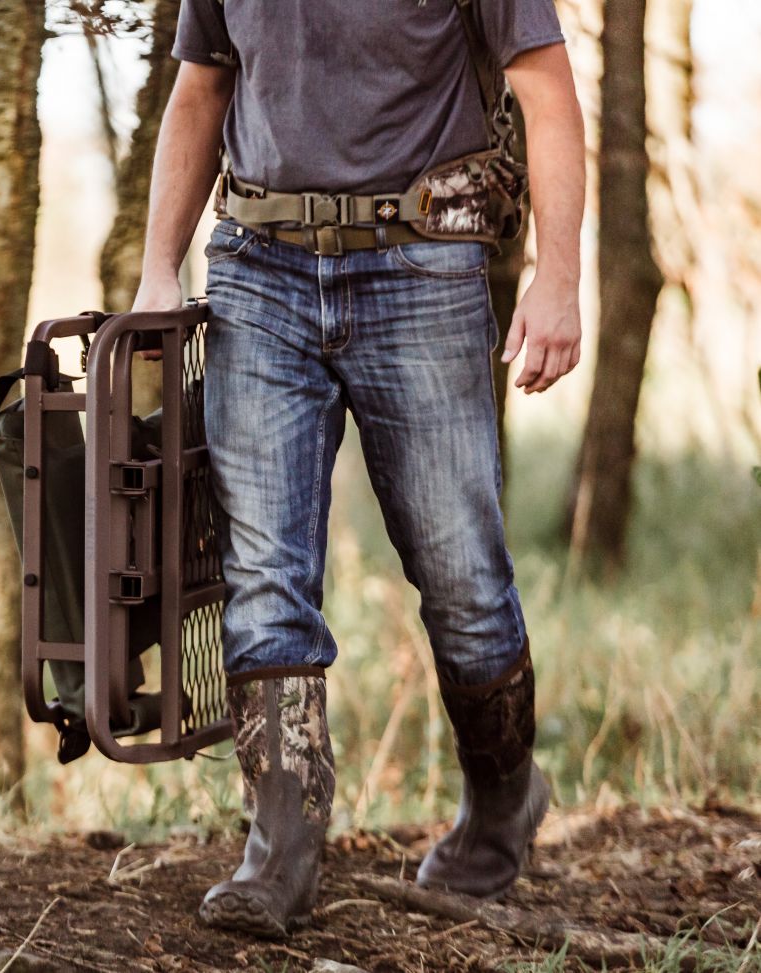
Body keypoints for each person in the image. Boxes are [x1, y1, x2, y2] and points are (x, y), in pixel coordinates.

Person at [130, 0, 586, 938]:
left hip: (421, 269)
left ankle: (503, 800)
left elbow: (546, 92)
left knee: (463, 574)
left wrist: (559, 277)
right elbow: (201, 89)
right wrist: (157, 270)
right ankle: (281, 852)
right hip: (259, 269)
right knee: (264, 572)